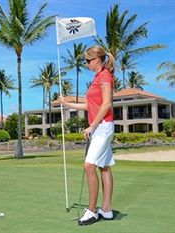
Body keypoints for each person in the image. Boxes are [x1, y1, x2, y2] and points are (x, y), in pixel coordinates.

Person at [60, 45, 116, 225]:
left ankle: (92, 211)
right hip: (100, 126)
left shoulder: (105, 76)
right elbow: (90, 105)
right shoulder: (97, 78)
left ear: (97, 59)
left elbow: (106, 104)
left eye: (88, 60)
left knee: (89, 166)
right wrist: (69, 105)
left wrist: (91, 126)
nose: (86, 64)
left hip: (103, 127)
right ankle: (106, 210)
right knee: (104, 167)